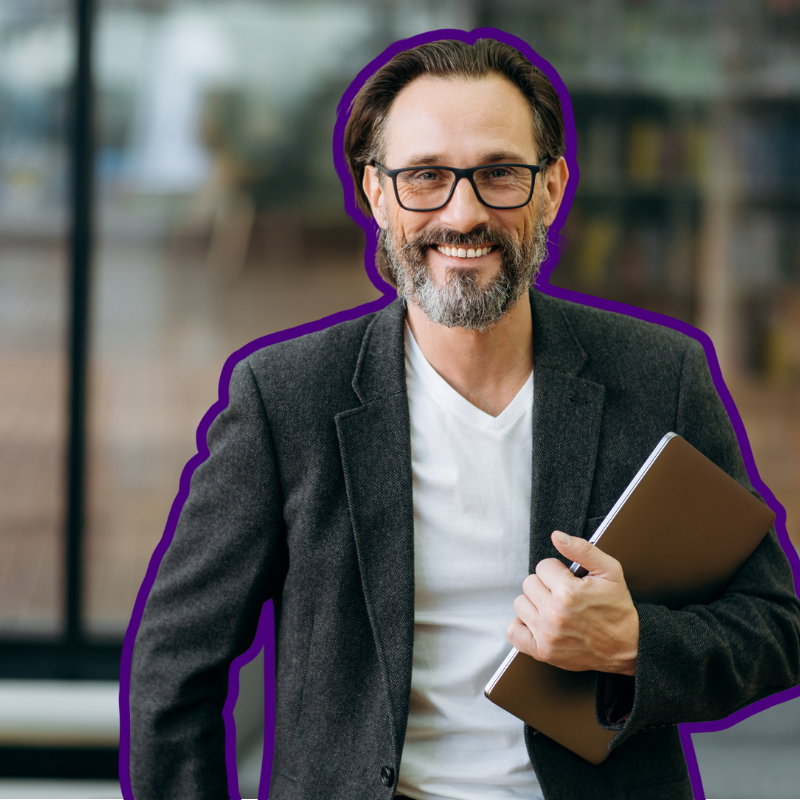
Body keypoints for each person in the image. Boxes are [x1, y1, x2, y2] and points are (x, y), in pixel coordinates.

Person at [128, 36, 800, 800]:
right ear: (377, 195)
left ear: (551, 189)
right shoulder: (286, 401)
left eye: (499, 175)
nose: (464, 213)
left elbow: (776, 629)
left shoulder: (661, 378)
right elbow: (173, 669)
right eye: (425, 177)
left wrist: (636, 642)